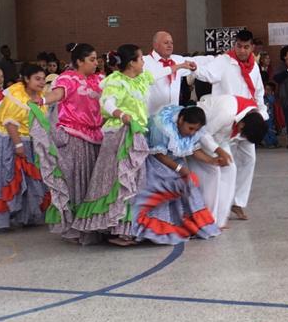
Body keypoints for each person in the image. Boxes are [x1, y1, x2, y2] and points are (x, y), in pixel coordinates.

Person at [114, 104, 222, 245]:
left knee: (188, 186)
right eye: (190, 128)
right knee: (147, 193)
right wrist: (179, 169)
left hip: (174, 163)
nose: (192, 132)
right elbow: (158, 154)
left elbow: (193, 149)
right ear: (181, 120)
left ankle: (189, 227)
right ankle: (133, 233)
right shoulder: (161, 126)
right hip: (154, 162)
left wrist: (212, 160)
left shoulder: (190, 129)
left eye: (196, 130)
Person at [0, 64, 59, 231]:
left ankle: (26, 216)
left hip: (28, 140)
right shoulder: (16, 94)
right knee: (7, 178)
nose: (41, 83)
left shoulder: (40, 96)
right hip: (8, 140)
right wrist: (18, 145)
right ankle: (0, 218)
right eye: (37, 79)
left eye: (42, 79)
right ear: (26, 79)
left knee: (30, 180)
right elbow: (10, 123)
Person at [190, 30, 268, 221]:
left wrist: (261, 114)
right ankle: (216, 208)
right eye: (239, 46)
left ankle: (237, 202)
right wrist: (193, 68)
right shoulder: (224, 61)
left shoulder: (254, 67)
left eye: (246, 47)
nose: (242, 50)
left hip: (247, 118)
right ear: (235, 45)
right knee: (226, 164)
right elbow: (206, 73)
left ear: (252, 47)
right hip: (224, 121)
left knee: (250, 159)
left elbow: (258, 94)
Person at [41, 43, 105, 243]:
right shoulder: (68, 79)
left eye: (96, 59)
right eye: (92, 59)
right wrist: (42, 101)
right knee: (78, 182)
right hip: (75, 136)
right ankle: (76, 227)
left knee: (94, 183)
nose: (96, 63)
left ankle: (94, 224)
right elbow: (57, 94)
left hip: (97, 137)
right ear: (79, 61)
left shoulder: (99, 80)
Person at [94, 45, 156, 246]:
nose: (144, 62)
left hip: (136, 133)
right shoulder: (117, 81)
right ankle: (117, 229)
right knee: (121, 181)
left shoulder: (141, 79)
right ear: (132, 62)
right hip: (121, 134)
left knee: (134, 181)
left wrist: (181, 65)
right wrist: (122, 115)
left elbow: (163, 72)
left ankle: (127, 228)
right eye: (141, 59)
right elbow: (108, 103)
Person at [191, 93, 268, 227]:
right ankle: (208, 217)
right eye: (243, 135)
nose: (241, 137)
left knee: (230, 168)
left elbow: (225, 137)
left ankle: (220, 218)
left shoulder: (251, 115)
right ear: (242, 124)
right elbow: (203, 134)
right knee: (213, 172)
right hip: (197, 135)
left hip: (219, 138)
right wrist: (219, 151)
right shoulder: (226, 112)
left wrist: (221, 152)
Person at [143, 31, 197, 116]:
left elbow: (198, 61)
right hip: (152, 117)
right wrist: (179, 66)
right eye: (166, 43)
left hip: (173, 116)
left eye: (171, 43)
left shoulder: (177, 59)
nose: (170, 45)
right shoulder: (144, 61)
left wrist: (219, 58)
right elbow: (153, 76)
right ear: (155, 45)